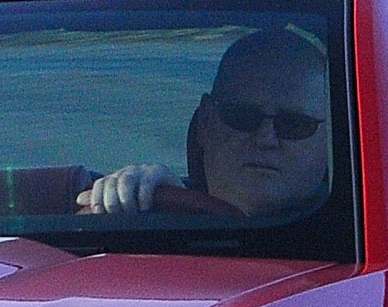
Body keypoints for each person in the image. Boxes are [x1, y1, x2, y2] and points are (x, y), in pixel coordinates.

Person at [78, 27, 332, 220]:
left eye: (294, 125)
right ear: (206, 123)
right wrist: (131, 198)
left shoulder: (362, 243)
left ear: (332, 138)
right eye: (242, 117)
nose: (266, 138)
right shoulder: (150, 216)